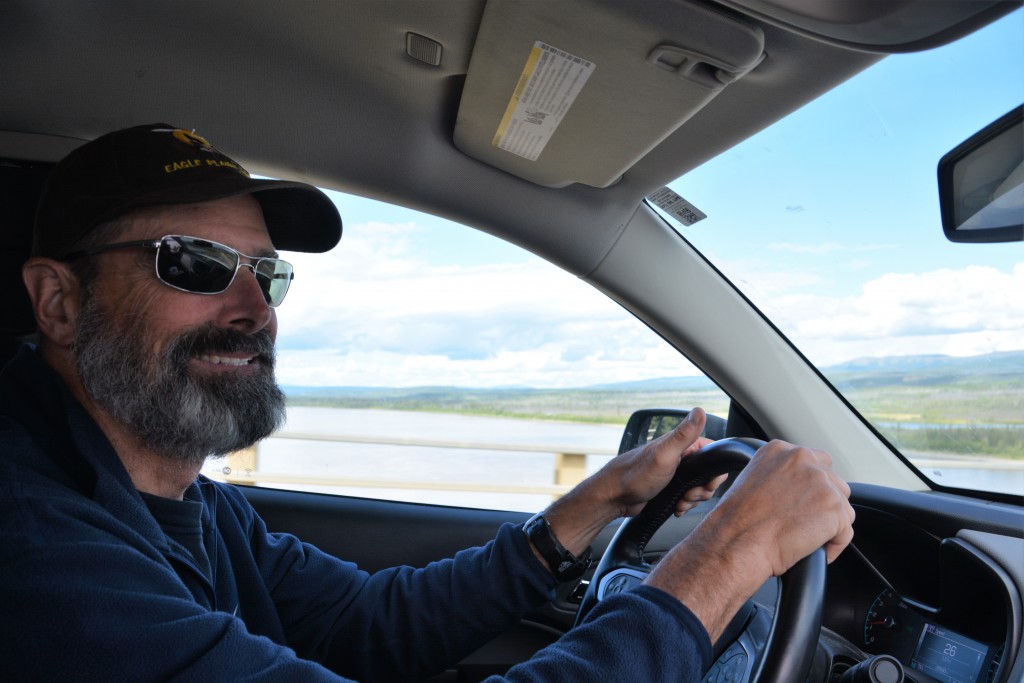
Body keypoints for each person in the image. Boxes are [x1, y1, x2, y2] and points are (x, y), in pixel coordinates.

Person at [0, 123, 854, 681]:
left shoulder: (188, 506)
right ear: (60, 302)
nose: (255, 309)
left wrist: (603, 499)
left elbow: (376, 623)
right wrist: (723, 560)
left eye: (266, 273)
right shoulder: (37, 547)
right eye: (194, 263)